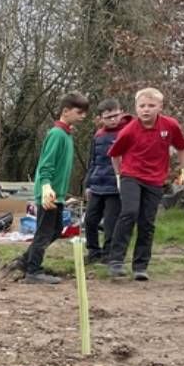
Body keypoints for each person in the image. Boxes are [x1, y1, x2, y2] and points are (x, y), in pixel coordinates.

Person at [106, 87, 184, 281]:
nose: (146, 110)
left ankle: (140, 265)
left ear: (160, 107)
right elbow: (114, 154)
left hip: (155, 179)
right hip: (131, 175)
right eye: (142, 106)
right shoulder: (129, 130)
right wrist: (119, 176)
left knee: (147, 221)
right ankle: (116, 260)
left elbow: (181, 147)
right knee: (129, 212)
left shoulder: (170, 126)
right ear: (136, 108)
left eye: (151, 106)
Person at [17, 93, 89, 284]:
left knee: (56, 230)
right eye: (79, 112)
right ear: (65, 111)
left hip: (58, 195)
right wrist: (47, 187)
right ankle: (33, 270)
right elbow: (46, 165)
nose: (83, 116)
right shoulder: (56, 134)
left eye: (85, 112)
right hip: (48, 194)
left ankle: (26, 260)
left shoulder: (67, 135)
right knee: (44, 232)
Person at [82, 99, 131, 265]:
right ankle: (93, 251)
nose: (112, 119)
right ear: (101, 118)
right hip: (97, 185)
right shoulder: (98, 135)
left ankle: (109, 254)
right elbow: (93, 162)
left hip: (116, 187)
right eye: (108, 117)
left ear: (122, 112)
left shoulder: (128, 132)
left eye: (115, 115)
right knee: (89, 220)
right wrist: (87, 185)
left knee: (111, 223)